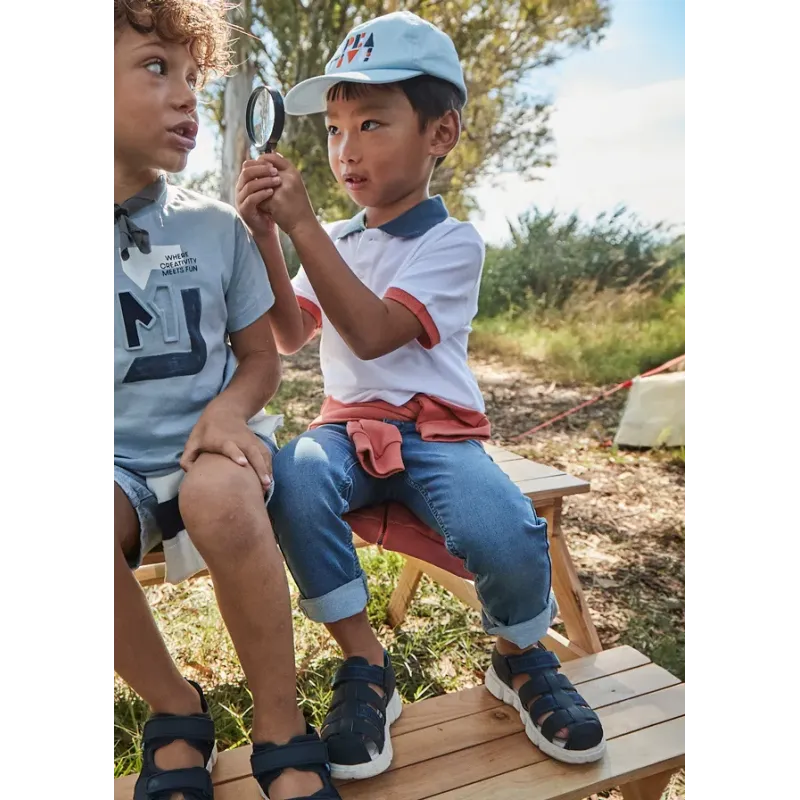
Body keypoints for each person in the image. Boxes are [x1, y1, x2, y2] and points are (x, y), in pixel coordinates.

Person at [236, 9, 606, 783]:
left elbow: (373, 333)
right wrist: (269, 236)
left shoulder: (452, 242)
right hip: (346, 429)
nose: (346, 149)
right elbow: (290, 333)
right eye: (334, 130)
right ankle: (366, 662)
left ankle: (518, 655)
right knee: (294, 475)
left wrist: (302, 227)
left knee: (505, 527)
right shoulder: (337, 239)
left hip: (436, 434)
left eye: (372, 124)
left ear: (441, 133)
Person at [112, 2, 340, 798]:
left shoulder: (217, 229)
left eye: (194, 78)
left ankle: (280, 722)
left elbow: (263, 357)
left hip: (216, 445)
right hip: (116, 467)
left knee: (222, 502)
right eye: (156, 68)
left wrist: (228, 410)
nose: (186, 96)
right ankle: (176, 709)